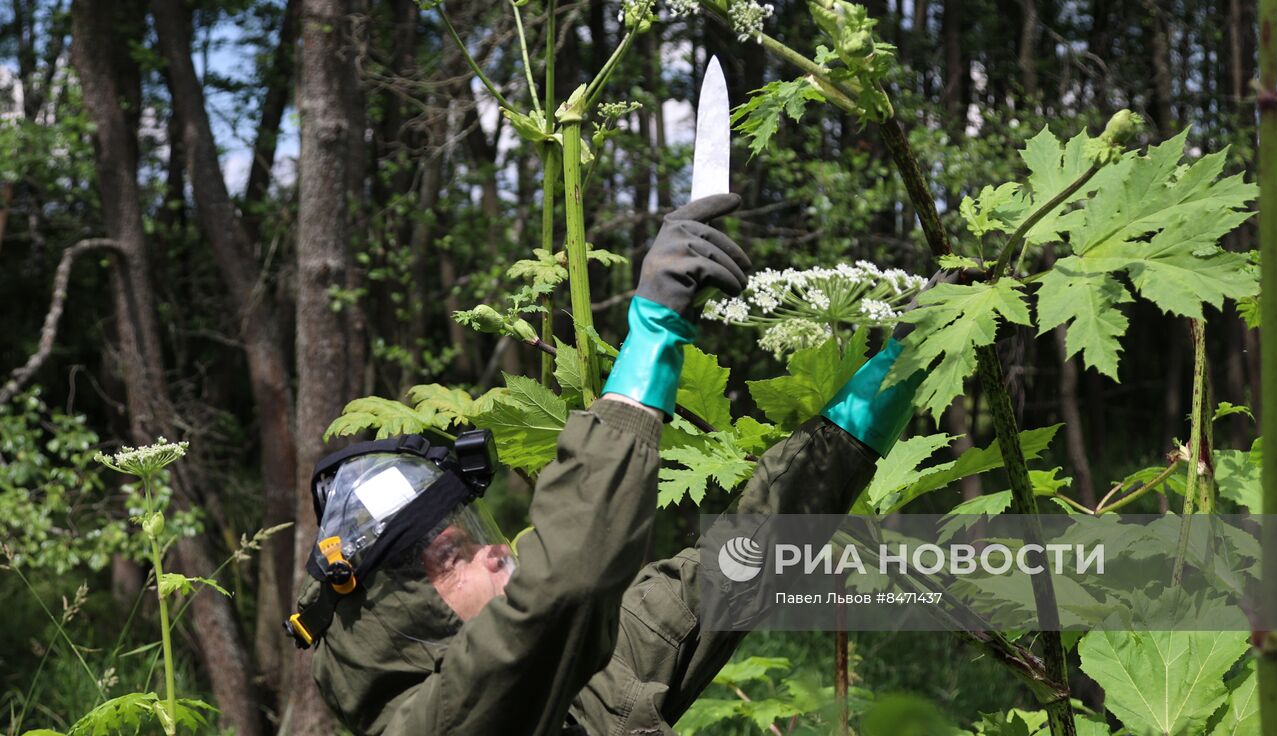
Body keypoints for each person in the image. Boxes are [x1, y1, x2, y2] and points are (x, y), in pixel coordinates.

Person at [290, 193, 928, 735]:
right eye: (452, 555)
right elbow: (564, 585)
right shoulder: (434, 724)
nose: (495, 551)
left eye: (475, 532)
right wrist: (652, 335)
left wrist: (903, 366)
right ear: (402, 612)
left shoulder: (583, 677)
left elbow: (740, 566)